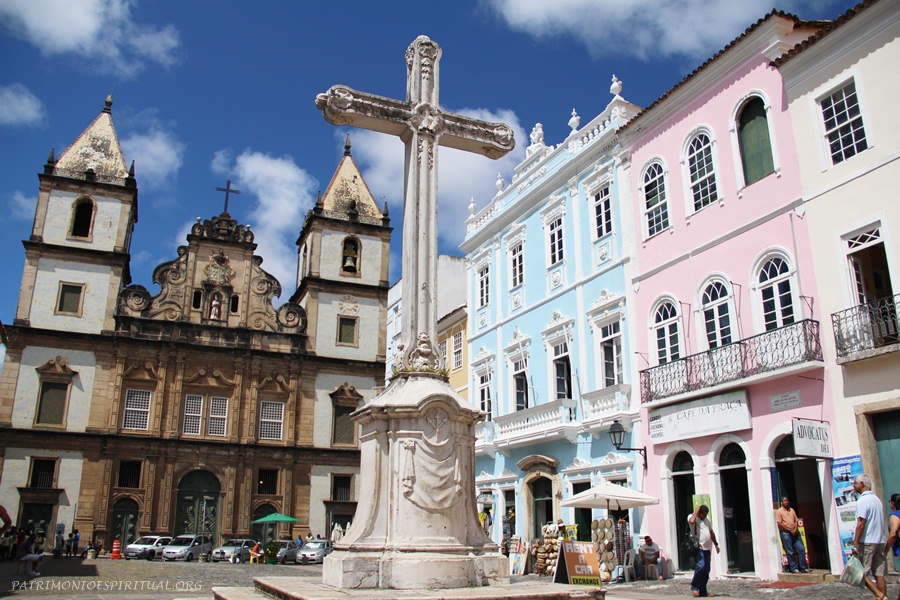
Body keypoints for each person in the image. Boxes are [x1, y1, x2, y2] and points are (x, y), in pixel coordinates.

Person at [851, 474, 888, 600]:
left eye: (855, 483)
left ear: (861, 484)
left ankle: (879, 596)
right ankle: (883, 596)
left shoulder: (862, 501)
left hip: (867, 541)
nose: (854, 485)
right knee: (879, 573)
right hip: (879, 540)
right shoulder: (877, 500)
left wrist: (855, 542)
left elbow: (861, 523)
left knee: (859, 572)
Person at [688, 504, 720, 598]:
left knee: (706, 570)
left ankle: (703, 590)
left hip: (707, 548)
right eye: (703, 514)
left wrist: (716, 544)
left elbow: (711, 532)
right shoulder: (693, 517)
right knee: (701, 566)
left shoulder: (707, 519)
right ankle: (694, 586)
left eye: (706, 514)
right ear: (699, 513)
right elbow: (691, 521)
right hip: (698, 547)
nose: (705, 516)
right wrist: (696, 512)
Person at [776, 497, 809, 573]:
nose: (786, 502)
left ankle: (803, 567)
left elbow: (796, 520)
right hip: (786, 533)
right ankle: (794, 568)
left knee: (801, 549)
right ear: (782, 502)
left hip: (794, 533)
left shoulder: (792, 510)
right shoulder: (779, 511)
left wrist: (795, 529)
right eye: (784, 501)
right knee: (790, 550)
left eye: (787, 500)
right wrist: (789, 529)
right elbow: (780, 523)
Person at [884, 493, 900, 600]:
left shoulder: (895, 515)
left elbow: (893, 533)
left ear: (893, 503)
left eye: (890, 501)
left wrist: (887, 547)